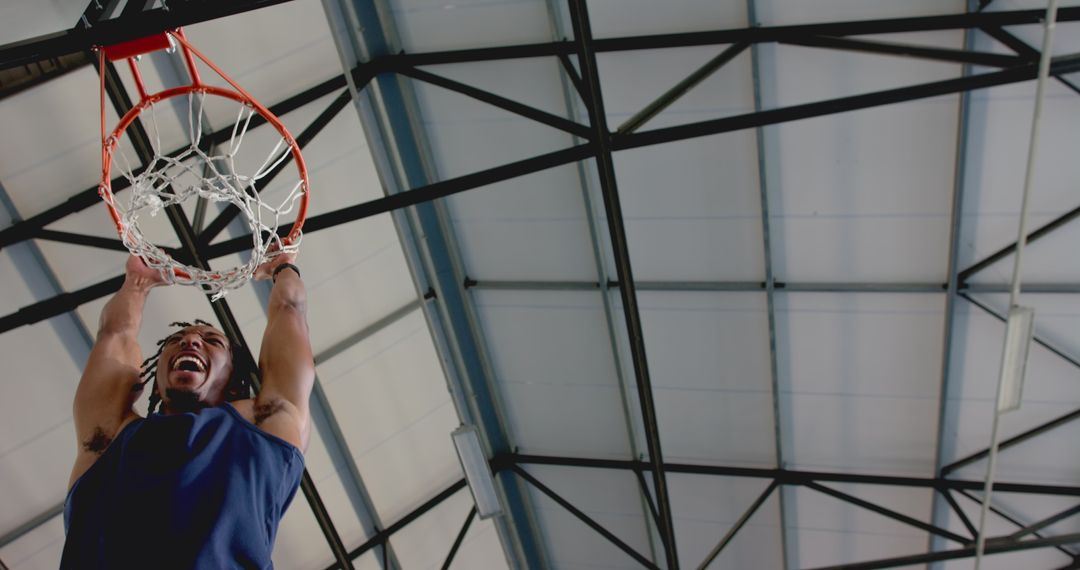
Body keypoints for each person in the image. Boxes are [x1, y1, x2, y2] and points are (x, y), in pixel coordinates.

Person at [61, 253, 315, 569]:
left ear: (235, 385)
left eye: (212, 341)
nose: (191, 340)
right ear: (155, 386)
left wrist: (282, 267)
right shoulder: (110, 437)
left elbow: (290, 311)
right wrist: (137, 281)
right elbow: (114, 335)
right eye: (177, 339)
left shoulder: (267, 424)